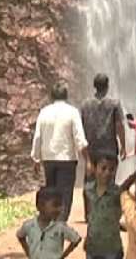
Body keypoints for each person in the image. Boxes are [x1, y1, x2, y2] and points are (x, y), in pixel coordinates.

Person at [31, 84, 88, 224]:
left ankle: (51, 220)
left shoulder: (44, 112)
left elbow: (38, 136)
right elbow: (79, 138)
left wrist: (35, 158)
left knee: (51, 191)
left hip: (49, 159)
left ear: (51, 96)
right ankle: (61, 221)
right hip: (67, 159)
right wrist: (87, 158)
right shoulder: (72, 112)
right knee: (66, 192)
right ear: (66, 96)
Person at [80, 73, 125, 221]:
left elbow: (80, 128)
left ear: (94, 86)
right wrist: (124, 145)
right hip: (109, 149)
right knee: (108, 182)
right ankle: (107, 213)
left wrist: (82, 150)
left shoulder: (85, 104)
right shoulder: (114, 103)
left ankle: (89, 214)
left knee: (90, 182)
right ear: (107, 86)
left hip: (91, 148)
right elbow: (119, 125)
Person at [16, 187, 82, 259]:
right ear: (40, 206)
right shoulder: (29, 225)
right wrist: (29, 253)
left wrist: (62, 256)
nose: (60, 209)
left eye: (60, 205)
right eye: (55, 205)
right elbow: (20, 236)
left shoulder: (60, 227)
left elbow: (76, 239)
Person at [82, 153, 124, 259]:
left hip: (112, 247)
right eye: (103, 168)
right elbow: (89, 217)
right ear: (95, 169)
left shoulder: (117, 192)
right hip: (93, 247)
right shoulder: (88, 190)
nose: (107, 173)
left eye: (112, 169)